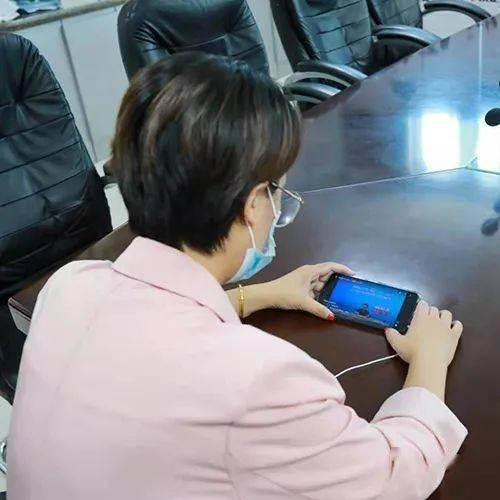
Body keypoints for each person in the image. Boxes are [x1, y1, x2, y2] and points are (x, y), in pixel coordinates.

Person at [8, 53, 466, 500]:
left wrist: (261, 294)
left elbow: (151, 326)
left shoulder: (70, 285)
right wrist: (428, 358)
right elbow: (392, 478)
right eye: (278, 191)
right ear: (251, 205)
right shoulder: (259, 381)